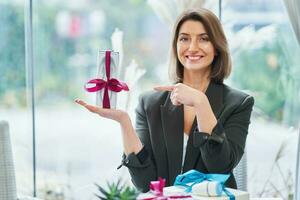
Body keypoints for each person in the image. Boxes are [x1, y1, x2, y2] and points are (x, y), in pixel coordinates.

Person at [75, 8, 254, 192]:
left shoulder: (239, 103)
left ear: (216, 47)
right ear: (176, 46)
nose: (192, 47)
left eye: (204, 38)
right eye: (184, 38)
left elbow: (220, 167)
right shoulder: (149, 103)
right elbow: (146, 184)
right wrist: (124, 122)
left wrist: (201, 102)